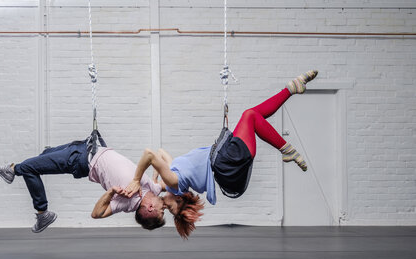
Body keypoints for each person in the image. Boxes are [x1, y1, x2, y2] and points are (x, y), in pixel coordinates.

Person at [122, 70, 318, 238]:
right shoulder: (174, 182)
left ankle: (292, 89)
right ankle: (287, 148)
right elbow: (149, 154)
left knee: (253, 115)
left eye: (164, 209)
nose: (164, 207)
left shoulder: (175, 176)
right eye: (170, 208)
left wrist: (156, 178)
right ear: (179, 198)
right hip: (226, 162)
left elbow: (161, 154)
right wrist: (137, 180)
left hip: (225, 161)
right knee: (250, 116)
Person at [0, 143, 166, 233]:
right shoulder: (156, 190)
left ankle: (42, 213)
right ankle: (14, 170)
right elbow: (175, 185)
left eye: (162, 211)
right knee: (46, 154)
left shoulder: (127, 202)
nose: (164, 207)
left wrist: (111, 192)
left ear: (150, 209)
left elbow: (96, 214)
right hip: (90, 146)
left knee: (28, 168)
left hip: (81, 161)